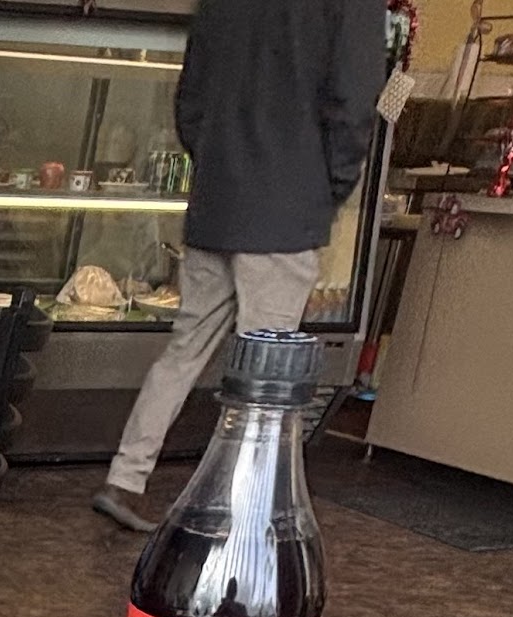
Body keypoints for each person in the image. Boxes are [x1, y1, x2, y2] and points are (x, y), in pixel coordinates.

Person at [92, 0, 384, 533]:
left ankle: (124, 478)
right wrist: (329, 186)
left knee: (185, 349)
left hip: (218, 198)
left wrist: (216, 163)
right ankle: (243, 507)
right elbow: (354, 95)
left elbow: (191, 97)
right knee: (264, 377)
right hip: (287, 206)